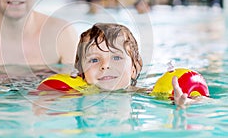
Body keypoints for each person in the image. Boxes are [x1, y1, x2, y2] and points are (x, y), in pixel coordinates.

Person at [73, 23, 202, 108]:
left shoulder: (143, 94)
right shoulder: (73, 92)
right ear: (82, 72)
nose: (105, 65)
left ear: (133, 70)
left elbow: (205, 100)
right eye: (94, 60)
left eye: (116, 57)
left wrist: (188, 102)